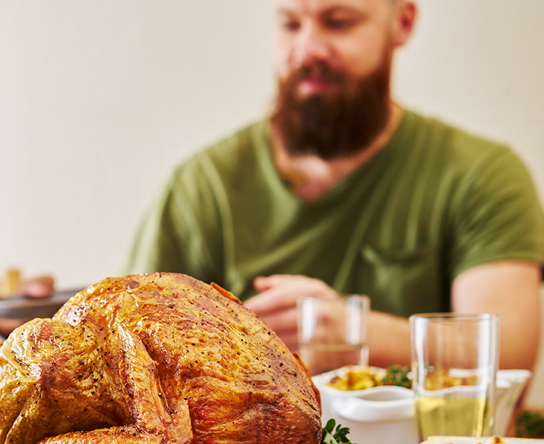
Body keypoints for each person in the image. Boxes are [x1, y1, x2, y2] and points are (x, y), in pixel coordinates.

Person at [124, 0, 544, 371]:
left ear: (403, 22)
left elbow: (509, 356)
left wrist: (353, 333)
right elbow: (128, 346)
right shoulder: (203, 186)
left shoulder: (481, 174)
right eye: (290, 24)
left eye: (338, 22)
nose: (307, 49)